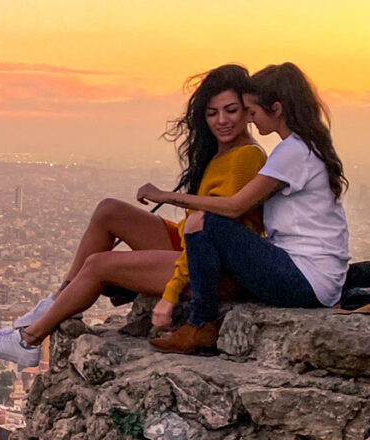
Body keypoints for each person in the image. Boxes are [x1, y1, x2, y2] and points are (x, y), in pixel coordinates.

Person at [0, 64, 267, 367]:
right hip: (190, 248)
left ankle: (29, 340)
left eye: (230, 110)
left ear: (247, 111)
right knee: (109, 211)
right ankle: (57, 302)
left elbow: (210, 234)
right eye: (212, 113)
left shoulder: (246, 157)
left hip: (213, 270)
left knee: (100, 265)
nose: (221, 120)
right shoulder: (222, 153)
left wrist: (169, 294)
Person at [140, 62, 350, 354]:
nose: (250, 119)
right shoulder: (303, 147)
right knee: (207, 221)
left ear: (275, 109)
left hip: (305, 280)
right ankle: (198, 324)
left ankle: (200, 323)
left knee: (206, 221)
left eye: (252, 111)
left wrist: (167, 196)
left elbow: (234, 206)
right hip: (313, 277)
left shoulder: (292, 152)